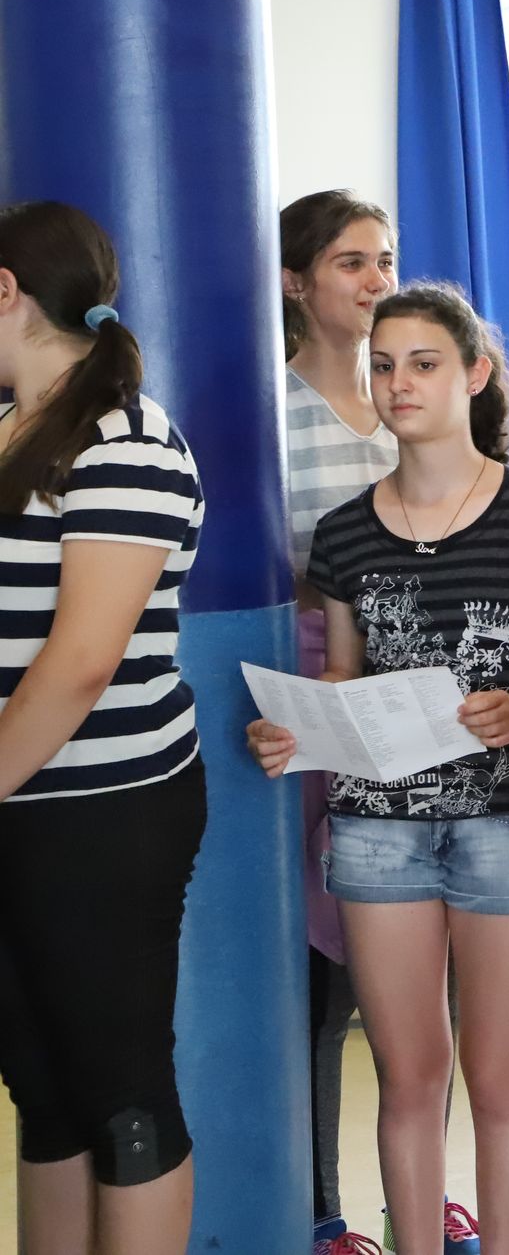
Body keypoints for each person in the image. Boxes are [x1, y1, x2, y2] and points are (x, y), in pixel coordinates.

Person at [248, 283, 509, 1255]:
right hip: (375, 833)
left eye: (423, 363)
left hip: (504, 823)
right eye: (383, 365)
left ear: (473, 374)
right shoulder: (345, 531)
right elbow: (343, 678)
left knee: (501, 1077)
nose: (398, 384)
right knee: (409, 1075)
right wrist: (298, 729)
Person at [0, 200, 208, 1255]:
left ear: (5, 291)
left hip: (105, 809)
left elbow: (81, 662)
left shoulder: (130, 442)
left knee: (122, 1095)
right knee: (43, 1093)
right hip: (14, 800)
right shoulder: (9, 430)